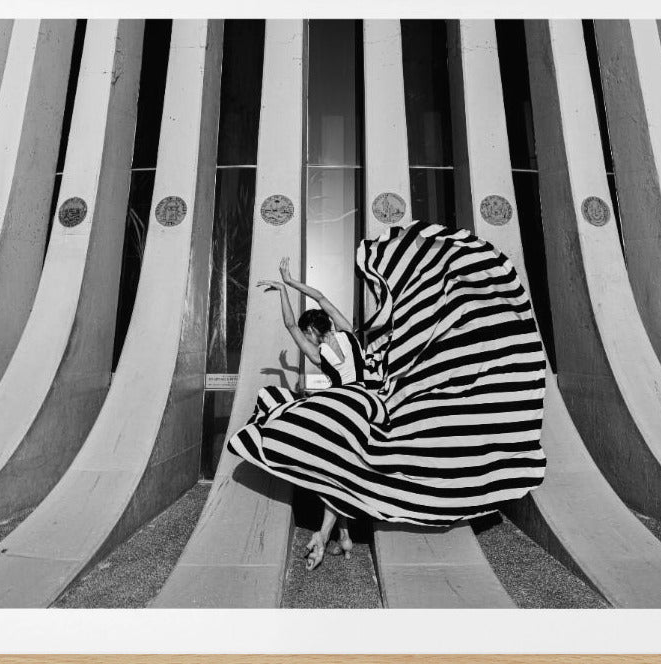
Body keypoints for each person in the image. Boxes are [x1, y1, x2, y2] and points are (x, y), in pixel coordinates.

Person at [226, 221, 547, 572]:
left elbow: (292, 324)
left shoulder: (320, 353)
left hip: (345, 404)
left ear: (313, 330)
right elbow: (319, 299)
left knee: (325, 456)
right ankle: (343, 536)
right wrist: (291, 283)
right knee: (344, 466)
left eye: (308, 333)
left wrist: (283, 290)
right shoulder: (347, 333)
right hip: (372, 400)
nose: (307, 337)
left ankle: (325, 533)